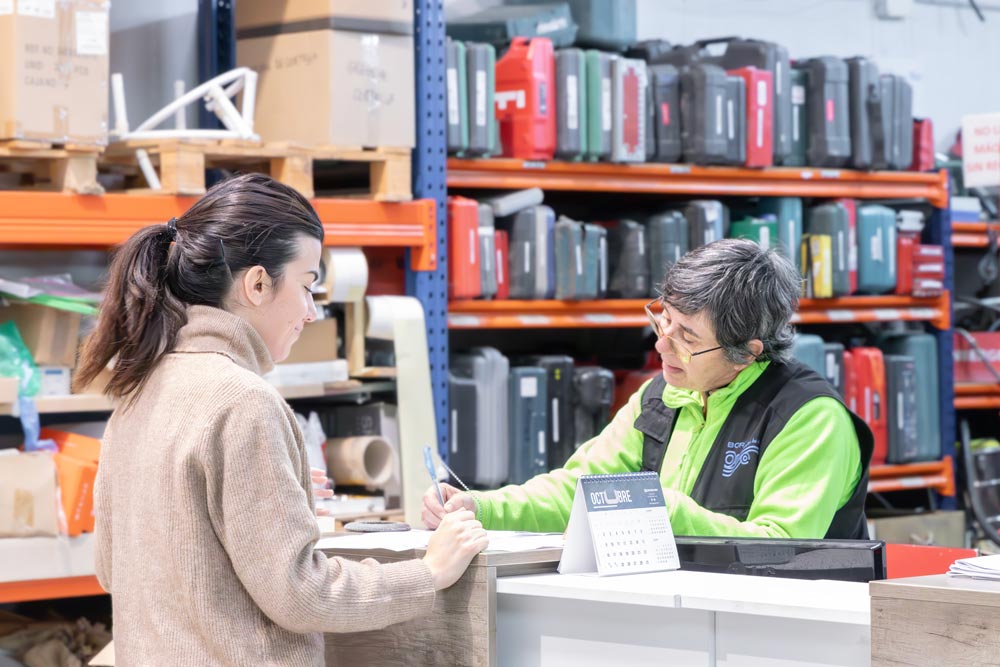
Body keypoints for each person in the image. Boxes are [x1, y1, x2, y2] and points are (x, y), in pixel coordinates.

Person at [76, 174, 488, 666]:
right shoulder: (244, 402)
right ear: (256, 283)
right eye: (308, 285)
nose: (311, 312)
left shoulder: (138, 390)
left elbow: (112, 568)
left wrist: (275, 504)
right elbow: (301, 593)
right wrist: (429, 571)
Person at [423, 239, 874, 540]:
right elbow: (581, 492)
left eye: (688, 338)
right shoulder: (660, 396)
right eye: (664, 320)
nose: (662, 344)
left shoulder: (807, 418)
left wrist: (661, 511)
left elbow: (781, 547)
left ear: (747, 351)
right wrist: (479, 507)